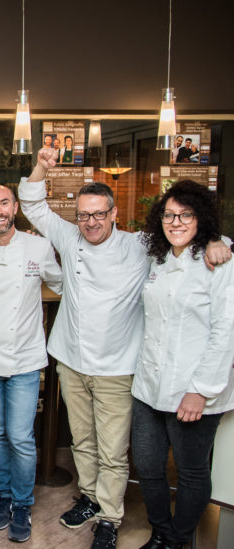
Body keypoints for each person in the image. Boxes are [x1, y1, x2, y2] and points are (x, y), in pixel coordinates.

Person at [18, 148, 230, 549]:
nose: (91, 222)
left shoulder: (140, 244)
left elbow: (187, 230)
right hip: (71, 360)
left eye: (100, 214)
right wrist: (42, 167)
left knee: (114, 450)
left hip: (118, 366)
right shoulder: (68, 234)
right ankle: (91, 496)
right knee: (82, 441)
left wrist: (219, 238)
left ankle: (110, 517)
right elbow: (32, 203)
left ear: (114, 214)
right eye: (84, 214)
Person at [132, 181, 234, 549]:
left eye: (185, 215)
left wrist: (201, 390)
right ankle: (160, 531)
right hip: (148, 384)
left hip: (194, 390)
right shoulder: (158, 257)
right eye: (169, 215)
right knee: (146, 464)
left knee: (191, 472)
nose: (175, 222)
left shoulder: (220, 260)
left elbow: (226, 331)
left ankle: (177, 540)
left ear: (201, 218)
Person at [0, 184, 63, 543]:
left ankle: (22, 502)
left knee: (20, 437)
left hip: (24, 357)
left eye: (4, 202)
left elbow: (60, 283)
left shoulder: (38, 246)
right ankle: (4, 496)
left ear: (16, 206)